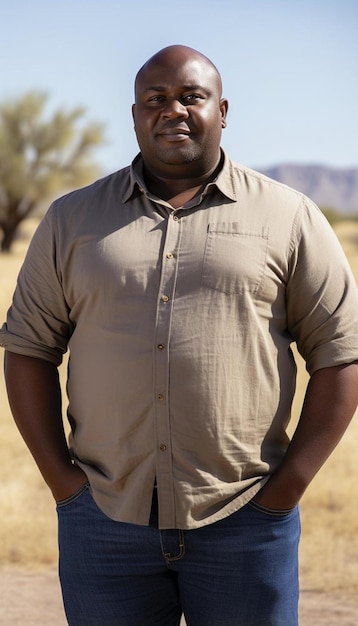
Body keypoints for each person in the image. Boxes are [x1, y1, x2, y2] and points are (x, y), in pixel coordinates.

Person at [1, 44, 358, 626]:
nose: (174, 111)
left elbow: (342, 354)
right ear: (136, 114)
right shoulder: (71, 220)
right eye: (156, 100)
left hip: (245, 519)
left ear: (222, 109)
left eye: (191, 97)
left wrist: (284, 493)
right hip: (105, 521)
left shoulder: (289, 218)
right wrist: (66, 488)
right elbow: (28, 351)